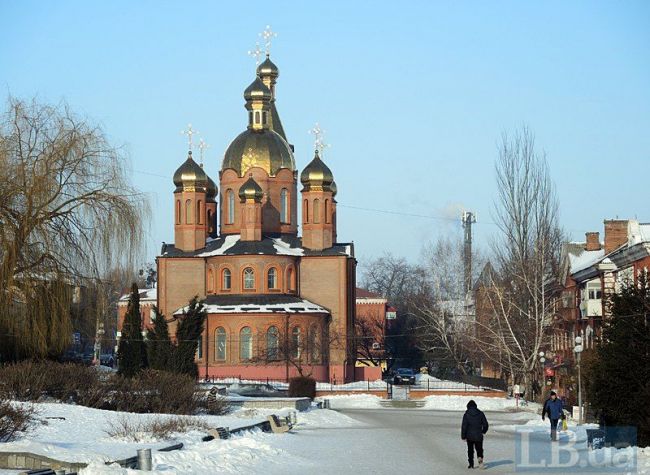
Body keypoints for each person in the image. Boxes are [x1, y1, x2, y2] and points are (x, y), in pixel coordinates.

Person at [461, 399, 489, 469]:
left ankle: (471, 464)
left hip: (469, 436)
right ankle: (480, 458)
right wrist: (483, 431)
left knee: (470, 450)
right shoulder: (480, 413)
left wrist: (463, 436)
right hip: (478, 435)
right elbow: (485, 424)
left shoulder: (466, 414)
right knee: (479, 449)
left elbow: (464, 426)